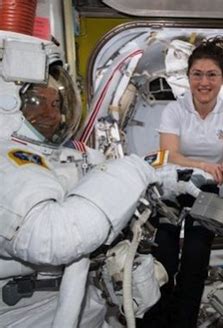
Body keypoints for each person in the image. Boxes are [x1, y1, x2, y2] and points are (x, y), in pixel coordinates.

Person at [0, 30, 200, 327]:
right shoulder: (6, 159)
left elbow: (108, 173)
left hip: (83, 306)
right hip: (28, 315)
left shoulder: (66, 156)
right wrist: (136, 169)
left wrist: (176, 177)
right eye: (34, 101)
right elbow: (56, 237)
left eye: (56, 104)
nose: (49, 113)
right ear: (7, 104)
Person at [139, 36, 223, 328]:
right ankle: (156, 321)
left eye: (211, 74)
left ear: (222, 79)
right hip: (173, 185)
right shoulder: (174, 111)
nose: (204, 82)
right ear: (188, 77)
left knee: (196, 257)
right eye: (197, 74)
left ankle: (184, 322)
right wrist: (204, 164)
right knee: (163, 255)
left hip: (207, 188)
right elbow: (170, 154)